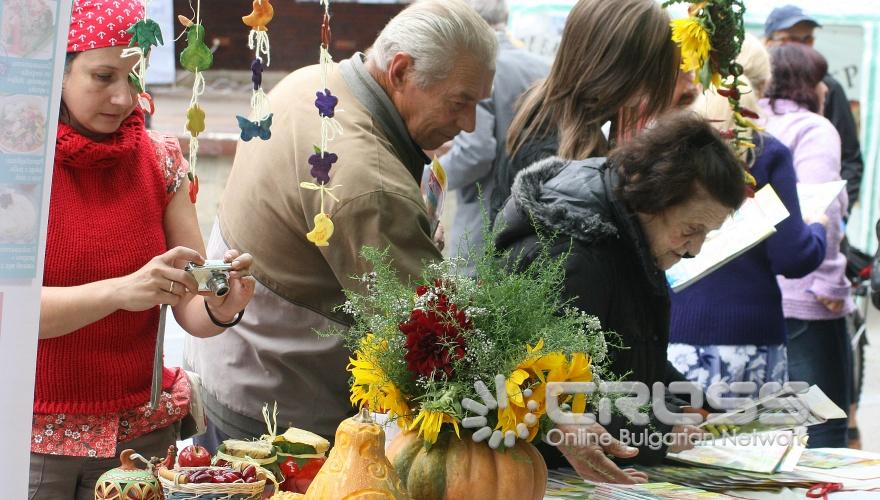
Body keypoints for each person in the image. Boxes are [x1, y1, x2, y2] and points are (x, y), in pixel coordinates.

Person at [184, 0, 497, 448]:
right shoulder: (370, 183)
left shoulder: (314, 80)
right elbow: (436, 336)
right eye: (459, 102)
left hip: (229, 367)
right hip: (282, 415)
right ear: (402, 71)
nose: (467, 124)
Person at [30, 1, 255, 497]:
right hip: (33, 444)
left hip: (141, 438)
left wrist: (221, 306)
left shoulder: (160, 160)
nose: (122, 97)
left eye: (134, 77)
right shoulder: (20, 165)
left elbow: (189, 301)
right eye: (103, 75)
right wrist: (121, 291)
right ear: (56, 72)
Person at [496, 112, 747, 467]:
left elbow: (633, 357)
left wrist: (701, 403)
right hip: (547, 468)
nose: (695, 248)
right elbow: (546, 395)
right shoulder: (573, 254)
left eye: (708, 233)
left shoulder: (636, 235)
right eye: (693, 229)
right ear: (655, 198)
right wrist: (659, 427)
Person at [668, 35, 827, 395]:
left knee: (675, 447)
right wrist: (820, 228)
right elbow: (793, 255)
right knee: (748, 448)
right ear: (763, 86)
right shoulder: (767, 154)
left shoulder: (673, 144)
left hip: (673, 334)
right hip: (751, 338)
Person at [494, 0, 679, 210]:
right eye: (648, 73)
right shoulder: (553, 157)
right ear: (610, 66)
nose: (649, 88)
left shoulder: (550, 121)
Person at [760, 43, 853, 448]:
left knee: (765, 427)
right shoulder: (813, 129)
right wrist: (831, 282)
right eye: (818, 80)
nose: (826, 90)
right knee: (823, 422)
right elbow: (821, 205)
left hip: (759, 294)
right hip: (806, 296)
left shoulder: (744, 121)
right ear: (805, 85)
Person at [440, 0, 550, 272]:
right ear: (505, 15)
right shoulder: (545, 67)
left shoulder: (476, 67)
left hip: (485, 221)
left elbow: (474, 154)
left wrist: (433, 175)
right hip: (539, 214)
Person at [764, 5, 864, 212]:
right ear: (768, 42)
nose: (801, 46)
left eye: (807, 39)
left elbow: (850, 160)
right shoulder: (750, 85)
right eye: (791, 38)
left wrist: (840, 219)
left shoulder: (828, 88)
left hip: (816, 222)